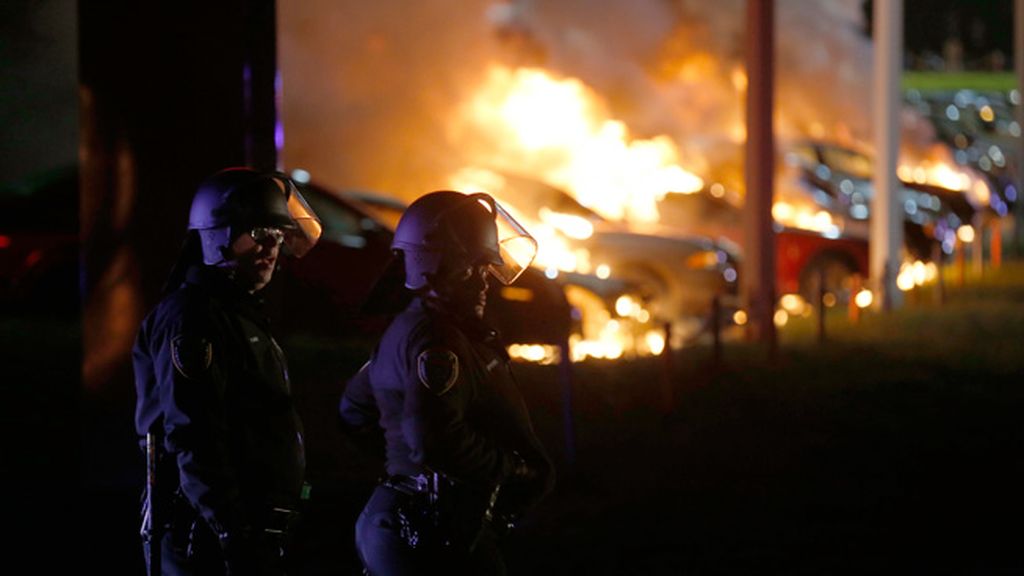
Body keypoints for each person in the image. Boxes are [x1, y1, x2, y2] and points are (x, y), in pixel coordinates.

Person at [339, 190, 555, 576]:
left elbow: (354, 410)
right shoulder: (437, 342)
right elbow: (432, 437)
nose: (485, 282)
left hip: (408, 521)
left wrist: (402, 467)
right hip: (430, 530)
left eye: (488, 268)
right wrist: (510, 468)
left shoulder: (407, 329)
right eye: (473, 267)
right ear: (433, 265)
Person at [133, 167, 322, 575]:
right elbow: (193, 434)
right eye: (258, 232)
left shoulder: (236, 312)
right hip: (204, 535)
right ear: (218, 235)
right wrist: (232, 532)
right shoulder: (192, 319)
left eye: (278, 234)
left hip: (243, 529)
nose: (271, 247)